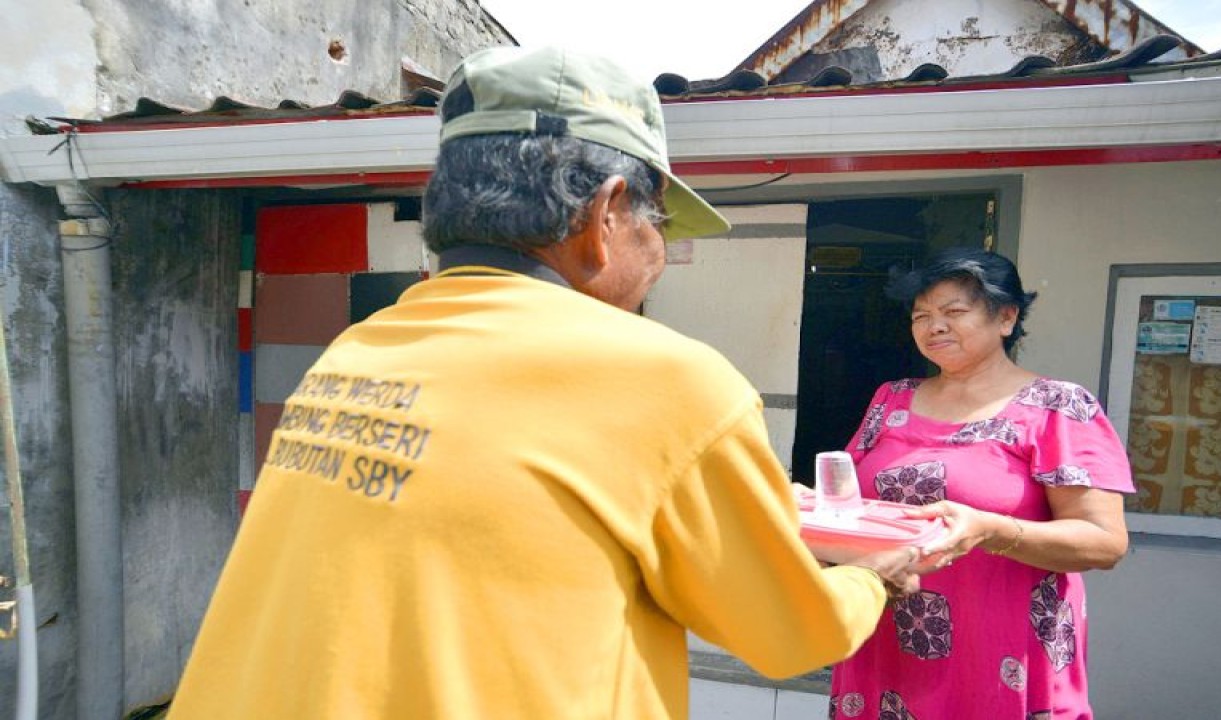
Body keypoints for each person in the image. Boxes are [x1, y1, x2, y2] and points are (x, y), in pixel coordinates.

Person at [168, 46, 920, 720]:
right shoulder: (664, 380)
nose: (659, 252)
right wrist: (872, 577)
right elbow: (791, 634)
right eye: (657, 223)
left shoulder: (359, 350)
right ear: (605, 214)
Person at [826, 248, 1133, 720]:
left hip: (1001, 650)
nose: (935, 327)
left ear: (1006, 317)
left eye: (954, 312)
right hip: (886, 637)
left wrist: (991, 530)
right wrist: (813, 507)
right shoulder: (892, 398)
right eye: (921, 315)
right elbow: (849, 503)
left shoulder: (1057, 407)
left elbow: (1105, 543)